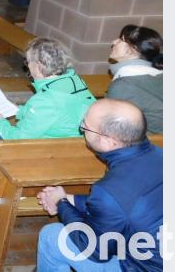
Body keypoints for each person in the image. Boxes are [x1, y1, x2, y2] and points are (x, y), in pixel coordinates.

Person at [0, 37, 96, 189]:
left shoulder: (45, 102)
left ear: (39, 66)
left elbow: (19, 139)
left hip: (48, 154)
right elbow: (54, 112)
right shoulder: (74, 81)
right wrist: (20, 110)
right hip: (71, 148)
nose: (27, 67)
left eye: (27, 62)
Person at [36, 99, 163, 271]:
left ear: (109, 141)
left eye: (85, 127)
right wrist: (68, 198)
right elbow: (127, 206)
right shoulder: (160, 155)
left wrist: (61, 204)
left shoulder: (109, 190)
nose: (82, 130)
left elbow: (95, 250)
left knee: (52, 237)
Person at [106, 25, 163, 133]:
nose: (114, 42)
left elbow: (112, 128)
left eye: (120, 40)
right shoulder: (157, 74)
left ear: (132, 49)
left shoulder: (124, 85)